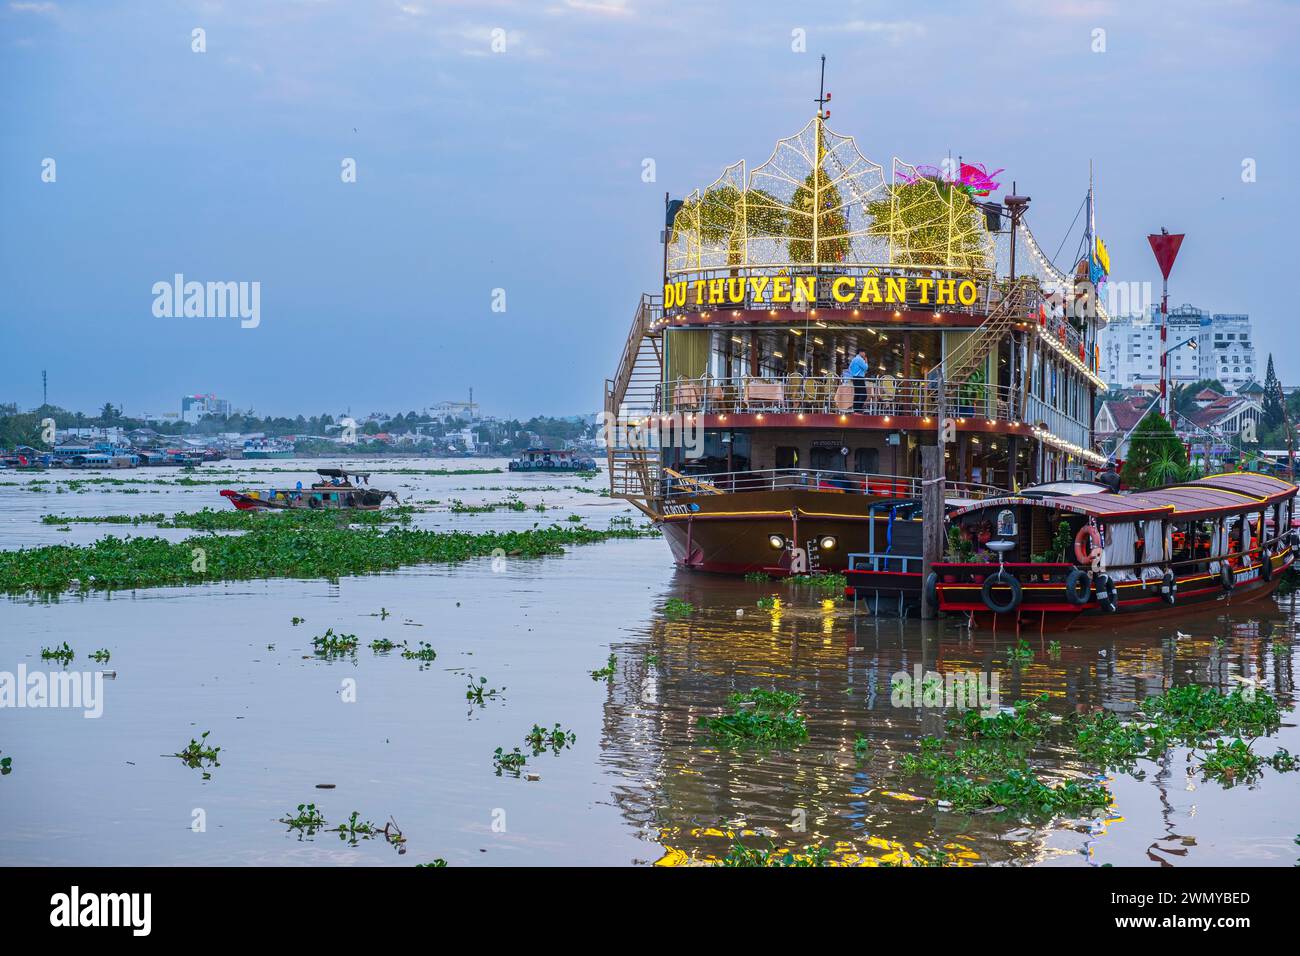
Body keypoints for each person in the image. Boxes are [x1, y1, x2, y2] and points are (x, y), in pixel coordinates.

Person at [848, 346, 869, 413]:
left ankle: (855, 409)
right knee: (864, 394)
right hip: (860, 377)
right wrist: (866, 361)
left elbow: (850, 367)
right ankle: (858, 409)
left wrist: (852, 375)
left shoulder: (854, 359)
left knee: (857, 393)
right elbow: (865, 368)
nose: (865, 354)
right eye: (864, 352)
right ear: (861, 352)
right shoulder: (860, 359)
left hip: (854, 378)